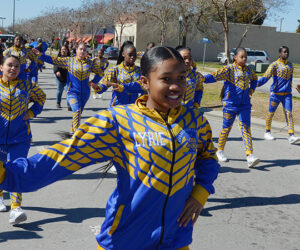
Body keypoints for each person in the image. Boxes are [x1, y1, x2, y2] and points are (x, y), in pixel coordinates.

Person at [0, 46, 219, 249]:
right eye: (166, 79)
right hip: (124, 240)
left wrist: (200, 193)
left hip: (176, 240)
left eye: (181, 78)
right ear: (145, 82)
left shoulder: (195, 121)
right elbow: (59, 159)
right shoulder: (118, 122)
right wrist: (6, 175)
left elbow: (208, 158)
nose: (176, 86)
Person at [0, 55, 46, 224]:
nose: (13, 69)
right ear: (1, 67)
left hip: (20, 137)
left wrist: (32, 112)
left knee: (17, 170)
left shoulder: (26, 85)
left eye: (17, 66)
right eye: (9, 65)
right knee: (1, 169)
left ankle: (16, 207)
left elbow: (41, 97)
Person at [202, 47, 260, 168]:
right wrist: (202, 78)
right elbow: (214, 76)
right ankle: (219, 150)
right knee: (226, 128)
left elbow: (255, 79)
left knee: (246, 129)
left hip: (244, 105)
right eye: (242, 57)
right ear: (235, 57)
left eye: (246, 57)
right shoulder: (229, 69)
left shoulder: (249, 70)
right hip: (230, 105)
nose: (244, 59)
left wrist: (251, 90)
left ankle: (250, 155)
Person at [33, 42, 105, 137]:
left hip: (85, 94)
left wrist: (93, 81)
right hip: (72, 92)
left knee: (78, 113)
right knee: (76, 110)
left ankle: (72, 132)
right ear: (76, 50)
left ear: (87, 52)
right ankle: (75, 135)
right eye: (80, 49)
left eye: (84, 50)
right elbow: (54, 60)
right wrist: (41, 55)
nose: (82, 51)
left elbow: (100, 73)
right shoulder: (69, 61)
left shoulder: (90, 63)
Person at [258, 46, 300, 144]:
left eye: (287, 52)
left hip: (287, 95)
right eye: (284, 52)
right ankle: (267, 132)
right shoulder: (274, 65)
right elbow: (265, 78)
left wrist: (297, 88)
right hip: (275, 95)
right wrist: (254, 85)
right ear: (280, 53)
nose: (286, 54)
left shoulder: (290, 65)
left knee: (289, 114)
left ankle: (291, 135)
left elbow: (290, 80)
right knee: (271, 113)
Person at [101, 42, 144, 106]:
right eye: (130, 55)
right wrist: (99, 88)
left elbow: (143, 87)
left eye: (134, 55)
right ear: (123, 54)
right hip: (118, 107)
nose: (132, 57)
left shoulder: (140, 71)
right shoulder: (115, 70)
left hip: (133, 108)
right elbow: (104, 84)